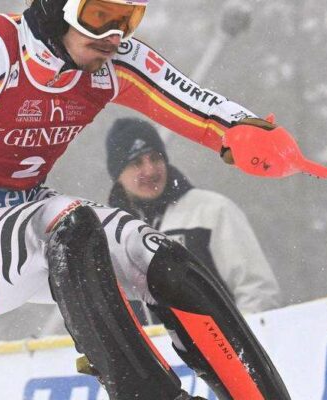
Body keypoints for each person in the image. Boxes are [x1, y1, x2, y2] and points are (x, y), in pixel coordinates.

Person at [0, 0, 291, 398]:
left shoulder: (111, 61)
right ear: (56, 9)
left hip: (23, 214)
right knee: (70, 223)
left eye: (127, 20)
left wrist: (243, 129)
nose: (113, 37)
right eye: (99, 16)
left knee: (159, 257)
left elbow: (195, 103)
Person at [105, 118, 281, 322]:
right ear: (117, 175)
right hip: (150, 354)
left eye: (155, 158)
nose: (150, 170)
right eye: (136, 163)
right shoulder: (107, 235)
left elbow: (257, 292)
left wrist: (238, 347)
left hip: (219, 351)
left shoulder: (212, 211)